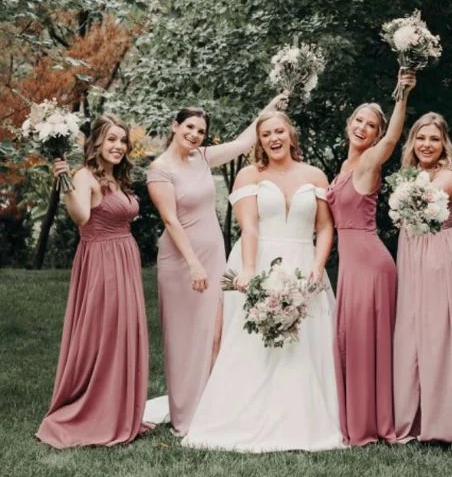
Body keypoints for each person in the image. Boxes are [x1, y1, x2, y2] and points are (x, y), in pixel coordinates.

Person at [182, 111, 343, 452]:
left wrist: (318, 266)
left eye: (279, 131)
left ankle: (301, 419)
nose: (273, 138)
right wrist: (250, 270)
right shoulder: (249, 175)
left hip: (304, 263)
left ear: (290, 134)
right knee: (254, 341)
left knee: (304, 342)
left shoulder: (314, 174)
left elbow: (325, 226)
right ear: (259, 141)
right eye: (266, 134)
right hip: (258, 259)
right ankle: (243, 416)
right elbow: (250, 227)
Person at [145, 95, 286, 437]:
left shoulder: (204, 157)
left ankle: (208, 407)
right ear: (175, 126)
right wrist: (193, 264)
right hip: (182, 261)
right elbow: (170, 220)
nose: (194, 135)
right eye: (189, 127)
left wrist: (271, 106)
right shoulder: (160, 169)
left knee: (214, 333)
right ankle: (184, 416)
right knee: (184, 337)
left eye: (201, 131)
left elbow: (243, 142)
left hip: (213, 256)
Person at [36, 115, 150, 448]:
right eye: (111, 139)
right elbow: (82, 217)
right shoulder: (83, 176)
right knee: (105, 332)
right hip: (102, 262)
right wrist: (64, 185)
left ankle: (120, 407)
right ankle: (95, 409)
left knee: (124, 331)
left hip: (124, 258)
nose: (118, 146)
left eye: (123, 140)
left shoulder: (117, 178)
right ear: (97, 142)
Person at [326, 69, 416, 446]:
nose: (363, 128)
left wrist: (402, 94)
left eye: (371, 126)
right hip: (351, 266)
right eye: (359, 121)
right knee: (350, 340)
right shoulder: (343, 168)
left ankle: (369, 424)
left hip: (370, 264)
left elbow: (395, 139)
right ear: (350, 123)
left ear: (376, 135)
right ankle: (356, 416)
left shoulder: (367, 163)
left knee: (364, 343)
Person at [393, 112, 452, 444]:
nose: (427, 145)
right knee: (412, 332)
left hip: (442, 256)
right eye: (421, 138)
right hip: (413, 256)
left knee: (438, 335)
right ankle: (413, 416)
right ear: (412, 142)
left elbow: (418, 200)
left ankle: (442, 422)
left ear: (445, 144)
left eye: (434, 139)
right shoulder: (410, 174)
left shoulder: (448, 177)